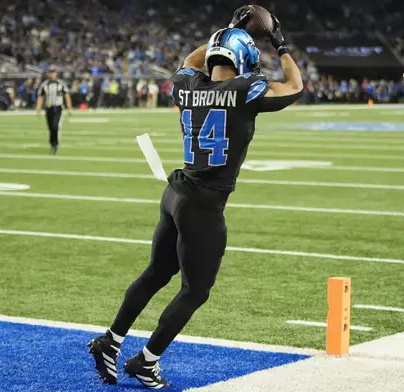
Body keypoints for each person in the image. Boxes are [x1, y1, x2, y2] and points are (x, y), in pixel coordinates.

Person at [88, 8, 303, 389]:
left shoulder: (188, 85)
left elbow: (191, 60)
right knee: (195, 290)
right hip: (204, 206)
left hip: (175, 193)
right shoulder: (244, 91)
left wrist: (229, 31)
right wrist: (279, 42)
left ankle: (111, 340)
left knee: (157, 272)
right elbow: (294, 86)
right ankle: (146, 360)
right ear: (244, 60)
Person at [35, 66, 72, 155]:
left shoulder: (61, 84)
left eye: (53, 72)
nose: (52, 74)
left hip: (57, 107)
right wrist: (38, 109)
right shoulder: (44, 85)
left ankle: (55, 144)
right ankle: (52, 143)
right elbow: (40, 97)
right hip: (48, 107)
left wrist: (69, 107)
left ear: (56, 73)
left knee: (55, 125)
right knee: (51, 127)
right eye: (50, 72)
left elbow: (66, 95)